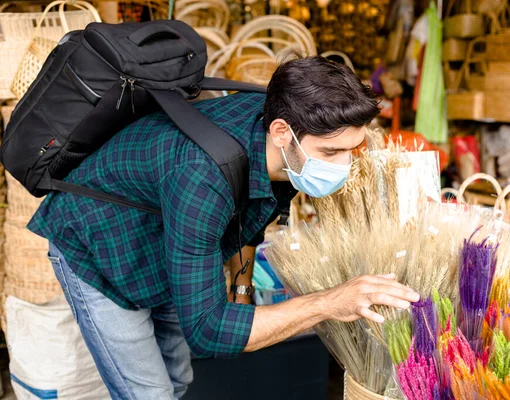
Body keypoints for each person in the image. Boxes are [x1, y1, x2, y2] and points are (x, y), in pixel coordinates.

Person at [28, 55, 420, 399]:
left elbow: (250, 219)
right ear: (282, 132)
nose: (342, 167)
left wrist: (243, 289)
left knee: (178, 377)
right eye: (330, 152)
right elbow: (208, 331)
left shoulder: (275, 138)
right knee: (149, 393)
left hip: (162, 230)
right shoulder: (201, 177)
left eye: (351, 151)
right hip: (94, 242)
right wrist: (327, 303)